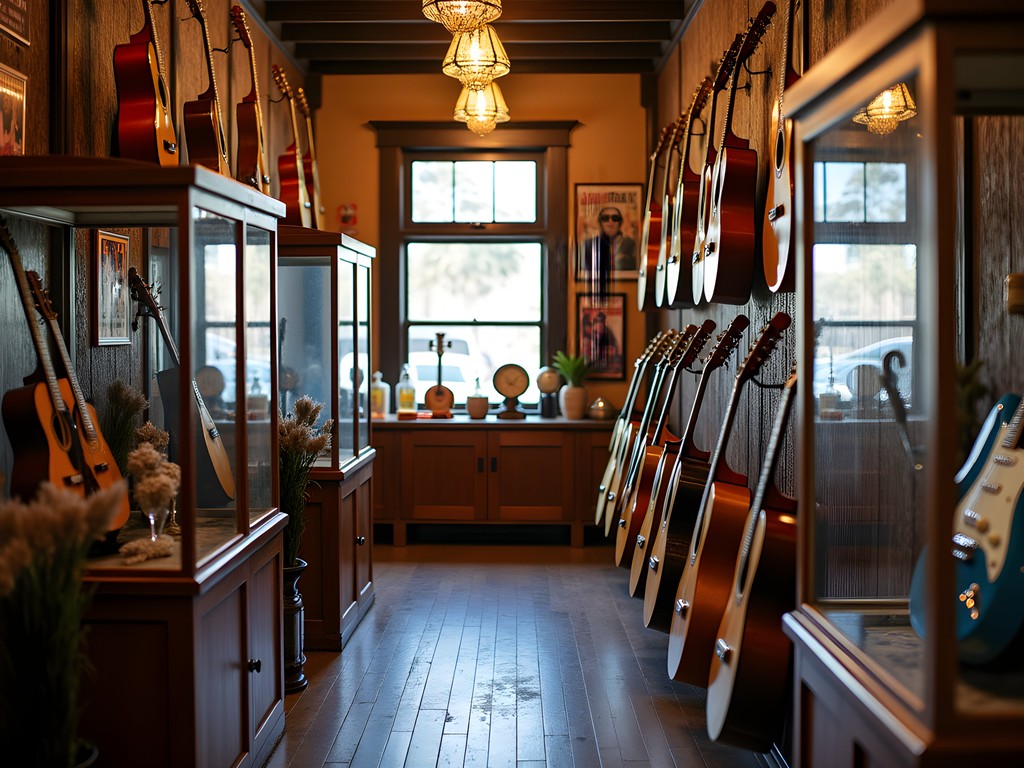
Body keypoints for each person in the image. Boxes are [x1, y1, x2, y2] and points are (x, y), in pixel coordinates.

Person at [581, 206, 637, 290]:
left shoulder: (631, 244)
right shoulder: (589, 244)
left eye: (615, 218)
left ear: (620, 223)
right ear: (600, 223)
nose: (610, 222)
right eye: (605, 218)